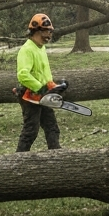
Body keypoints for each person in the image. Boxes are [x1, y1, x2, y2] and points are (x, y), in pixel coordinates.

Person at [15, 13, 64, 152]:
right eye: (45, 32)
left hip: (43, 94)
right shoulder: (27, 50)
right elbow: (23, 75)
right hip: (29, 95)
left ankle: (56, 153)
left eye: (49, 32)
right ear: (36, 31)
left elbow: (43, 72)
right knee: (31, 130)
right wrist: (40, 88)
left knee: (52, 126)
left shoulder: (41, 48)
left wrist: (52, 86)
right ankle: (20, 158)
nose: (48, 36)